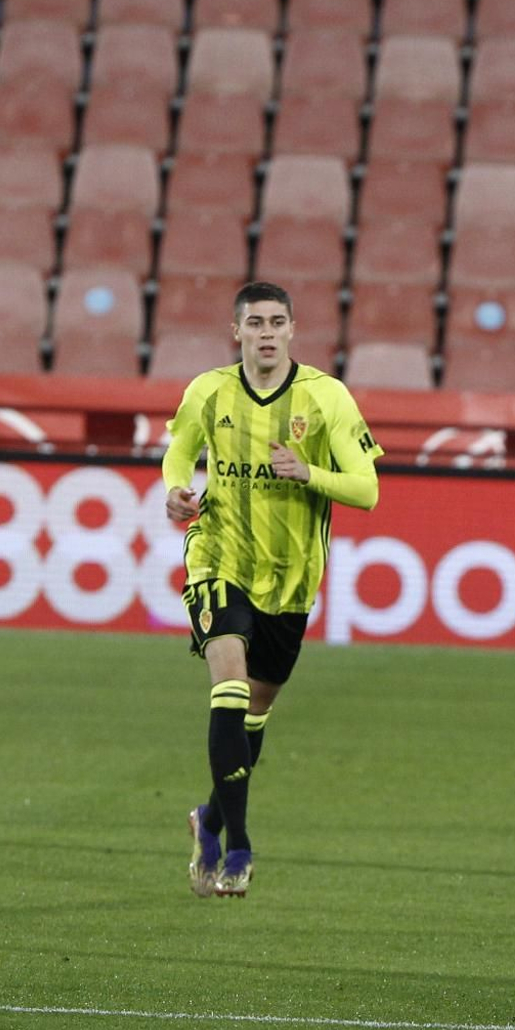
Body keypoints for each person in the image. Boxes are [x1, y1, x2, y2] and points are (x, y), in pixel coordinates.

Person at [163, 281, 382, 897]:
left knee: (254, 714)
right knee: (228, 688)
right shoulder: (209, 391)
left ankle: (207, 818)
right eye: (254, 322)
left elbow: (367, 489)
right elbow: (178, 453)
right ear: (237, 331)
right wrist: (176, 489)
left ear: (292, 329)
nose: (265, 331)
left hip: (290, 580)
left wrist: (307, 471)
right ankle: (237, 845)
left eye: (276, 321)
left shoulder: (326, 397)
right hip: (219, 557)